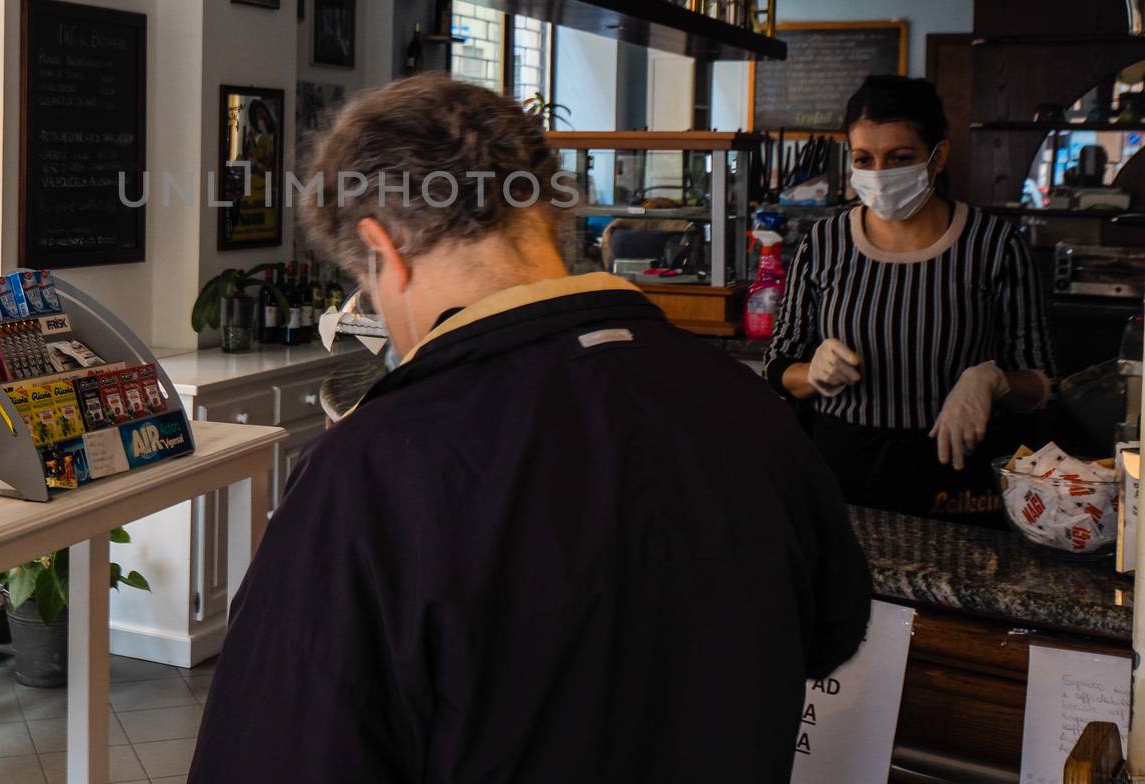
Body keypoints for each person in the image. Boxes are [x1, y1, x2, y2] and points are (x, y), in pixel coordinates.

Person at [188, 75, 871, 784]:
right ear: (546, 214)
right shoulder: (744, 404)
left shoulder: (368, 471)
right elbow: (834, 628)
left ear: (382, 249)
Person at [766, 75, 1057, 522]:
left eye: (900, 158)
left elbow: (1042, 382)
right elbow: (778, 365)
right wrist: (814, 372)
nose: (880, 175)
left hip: (954, 475)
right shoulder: (823, 242)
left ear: (937, 156)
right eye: (864, 159)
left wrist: (992, 380)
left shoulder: (994, 245)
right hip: (839, 469)